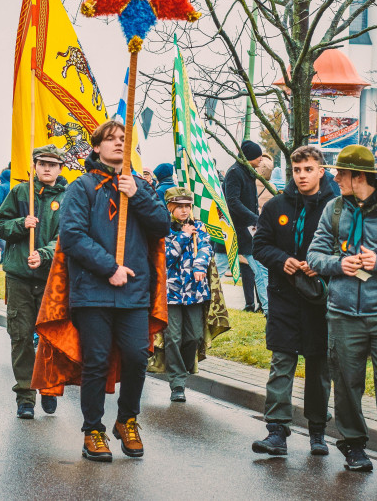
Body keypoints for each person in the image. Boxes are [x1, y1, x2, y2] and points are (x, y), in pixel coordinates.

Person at [33, 120, 170, 463]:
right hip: (92, 291)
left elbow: (162, 225)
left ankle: (127, 420)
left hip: (135, 292)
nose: (119, 144)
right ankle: (93, 429)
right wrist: (110, 268)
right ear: (96, 147)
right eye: (111, 139)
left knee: (138, 357)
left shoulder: (140, 185)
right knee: (95, 361)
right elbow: (74, 236)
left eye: (124, 139)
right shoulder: (82, 187)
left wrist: (136, 196)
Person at [307, 144, 377, 477]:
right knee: (346, 383)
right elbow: (314, 257)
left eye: (340, 173)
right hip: (343, 313)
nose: (335, 178)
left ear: (358, 176)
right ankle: (354, 446)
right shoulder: (334, 209)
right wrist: (339, 264)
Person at [252, 145, 334, 457]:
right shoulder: (276, 206)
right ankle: (276, 432)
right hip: (284, 297)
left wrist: (321, 264)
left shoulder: (336, 207)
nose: (302, 175)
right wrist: (282, 259)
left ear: (320, 170)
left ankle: (317, 432)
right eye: (297, 170)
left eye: (308, 169)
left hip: (319, 300)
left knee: (318, 367)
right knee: (281, 362)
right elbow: (260, 245)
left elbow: (344, 248)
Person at [0, 145, 68, 419]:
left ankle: (49, 386)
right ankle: (25, 395)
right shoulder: (20, 193)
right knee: (21, 337)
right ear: (34, 165)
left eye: (52, 164)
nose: (47, 168)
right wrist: (21, 224)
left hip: (52, 278)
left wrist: (45, 255)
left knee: (51, 337)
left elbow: (67, 235)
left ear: (60, 168)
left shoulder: (68, 197)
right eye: (42, 163)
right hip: (19, 277)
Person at [160, 186, 212, 403]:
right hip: (171, 293)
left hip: (194, 292)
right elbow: (165, 258)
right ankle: (177, 382)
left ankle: (184, 367)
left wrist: (200, 265)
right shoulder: (162, 230)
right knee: (173, 337)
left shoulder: (199, 227)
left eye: (187, 206)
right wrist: (182, 237)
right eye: (179, 206)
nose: (184, 211)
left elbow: (206, 248)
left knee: (194, 336)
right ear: (170, 207)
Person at [224, 140, 268, 314]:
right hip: (243, 227)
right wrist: (254, 218)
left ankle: (260, 305)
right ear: (249, 157)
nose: (261, 160)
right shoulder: (235, 173)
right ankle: (264, 307)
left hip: (250, 226)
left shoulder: (248, 172)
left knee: (258, 267)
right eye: (258, 157)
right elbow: (232, 201)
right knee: (257, 268)